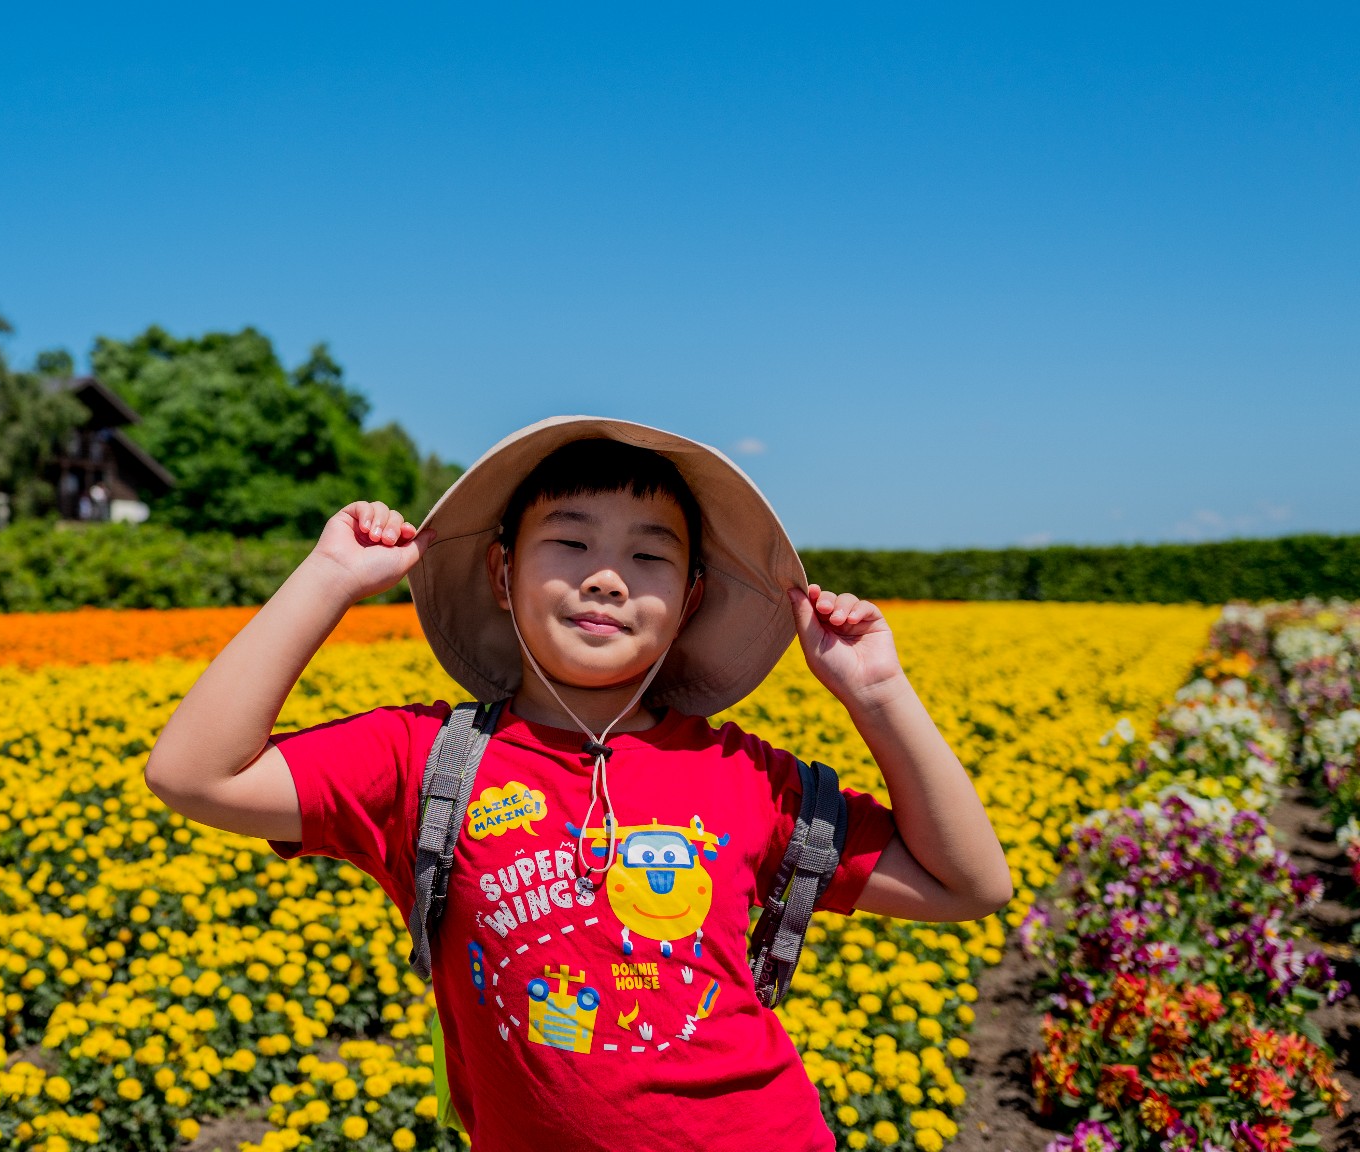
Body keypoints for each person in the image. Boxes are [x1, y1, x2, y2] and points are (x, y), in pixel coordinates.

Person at [144, 416, 1013, 1152]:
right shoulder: (424, 762)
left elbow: (969, 886)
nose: (607, 576)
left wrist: (879, 694)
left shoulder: (742, 773)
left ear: (691, 600)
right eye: (569, 542)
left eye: (650, 557)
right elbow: (193, 774)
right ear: (501, 573)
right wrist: (328, 579)